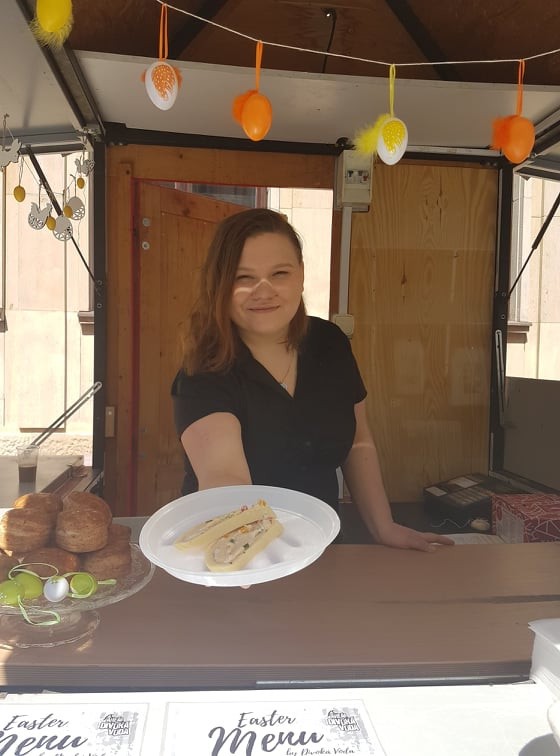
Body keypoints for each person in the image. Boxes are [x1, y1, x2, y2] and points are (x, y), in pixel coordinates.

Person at [171, 208, 453, 552]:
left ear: (301, 275)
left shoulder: (329, 343)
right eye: (243, 277)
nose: (264, 290)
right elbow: (225, 478)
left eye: (279, 273)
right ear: (220, 284)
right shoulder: (203, 373)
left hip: (323, 548)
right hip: (239, 555)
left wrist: (383, 527)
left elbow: (358, 442)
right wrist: (248, 560)